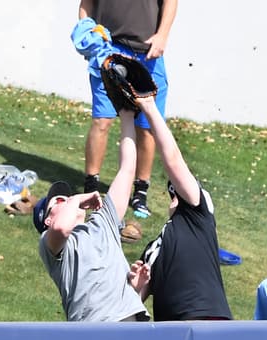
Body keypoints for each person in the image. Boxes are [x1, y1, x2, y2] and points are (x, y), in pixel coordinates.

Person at [34, 108, 148, 322]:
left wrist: (126, 116)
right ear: (47, 220)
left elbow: (127, 170)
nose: (66, 199)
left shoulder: (103, 222)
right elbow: (61, 228)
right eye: (59, 201)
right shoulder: (51, 246)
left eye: (67, 198)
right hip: (92, 330)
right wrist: (76, 199)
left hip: (130, 325)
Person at [126, 94, 233, 321]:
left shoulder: (198, 213)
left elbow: (173, 160)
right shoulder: (152, 249)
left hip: (207, 320)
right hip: (170, 333)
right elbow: (133, 306)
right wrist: (135, 288)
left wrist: (148, 106)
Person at [78, 0, 177, 221]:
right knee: (101, 121)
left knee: (147, 126)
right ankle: (90, 186)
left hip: (148, 53)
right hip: (108, 49)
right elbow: (87, 5)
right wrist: (87, 32)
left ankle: (140, 192)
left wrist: (162, 35)